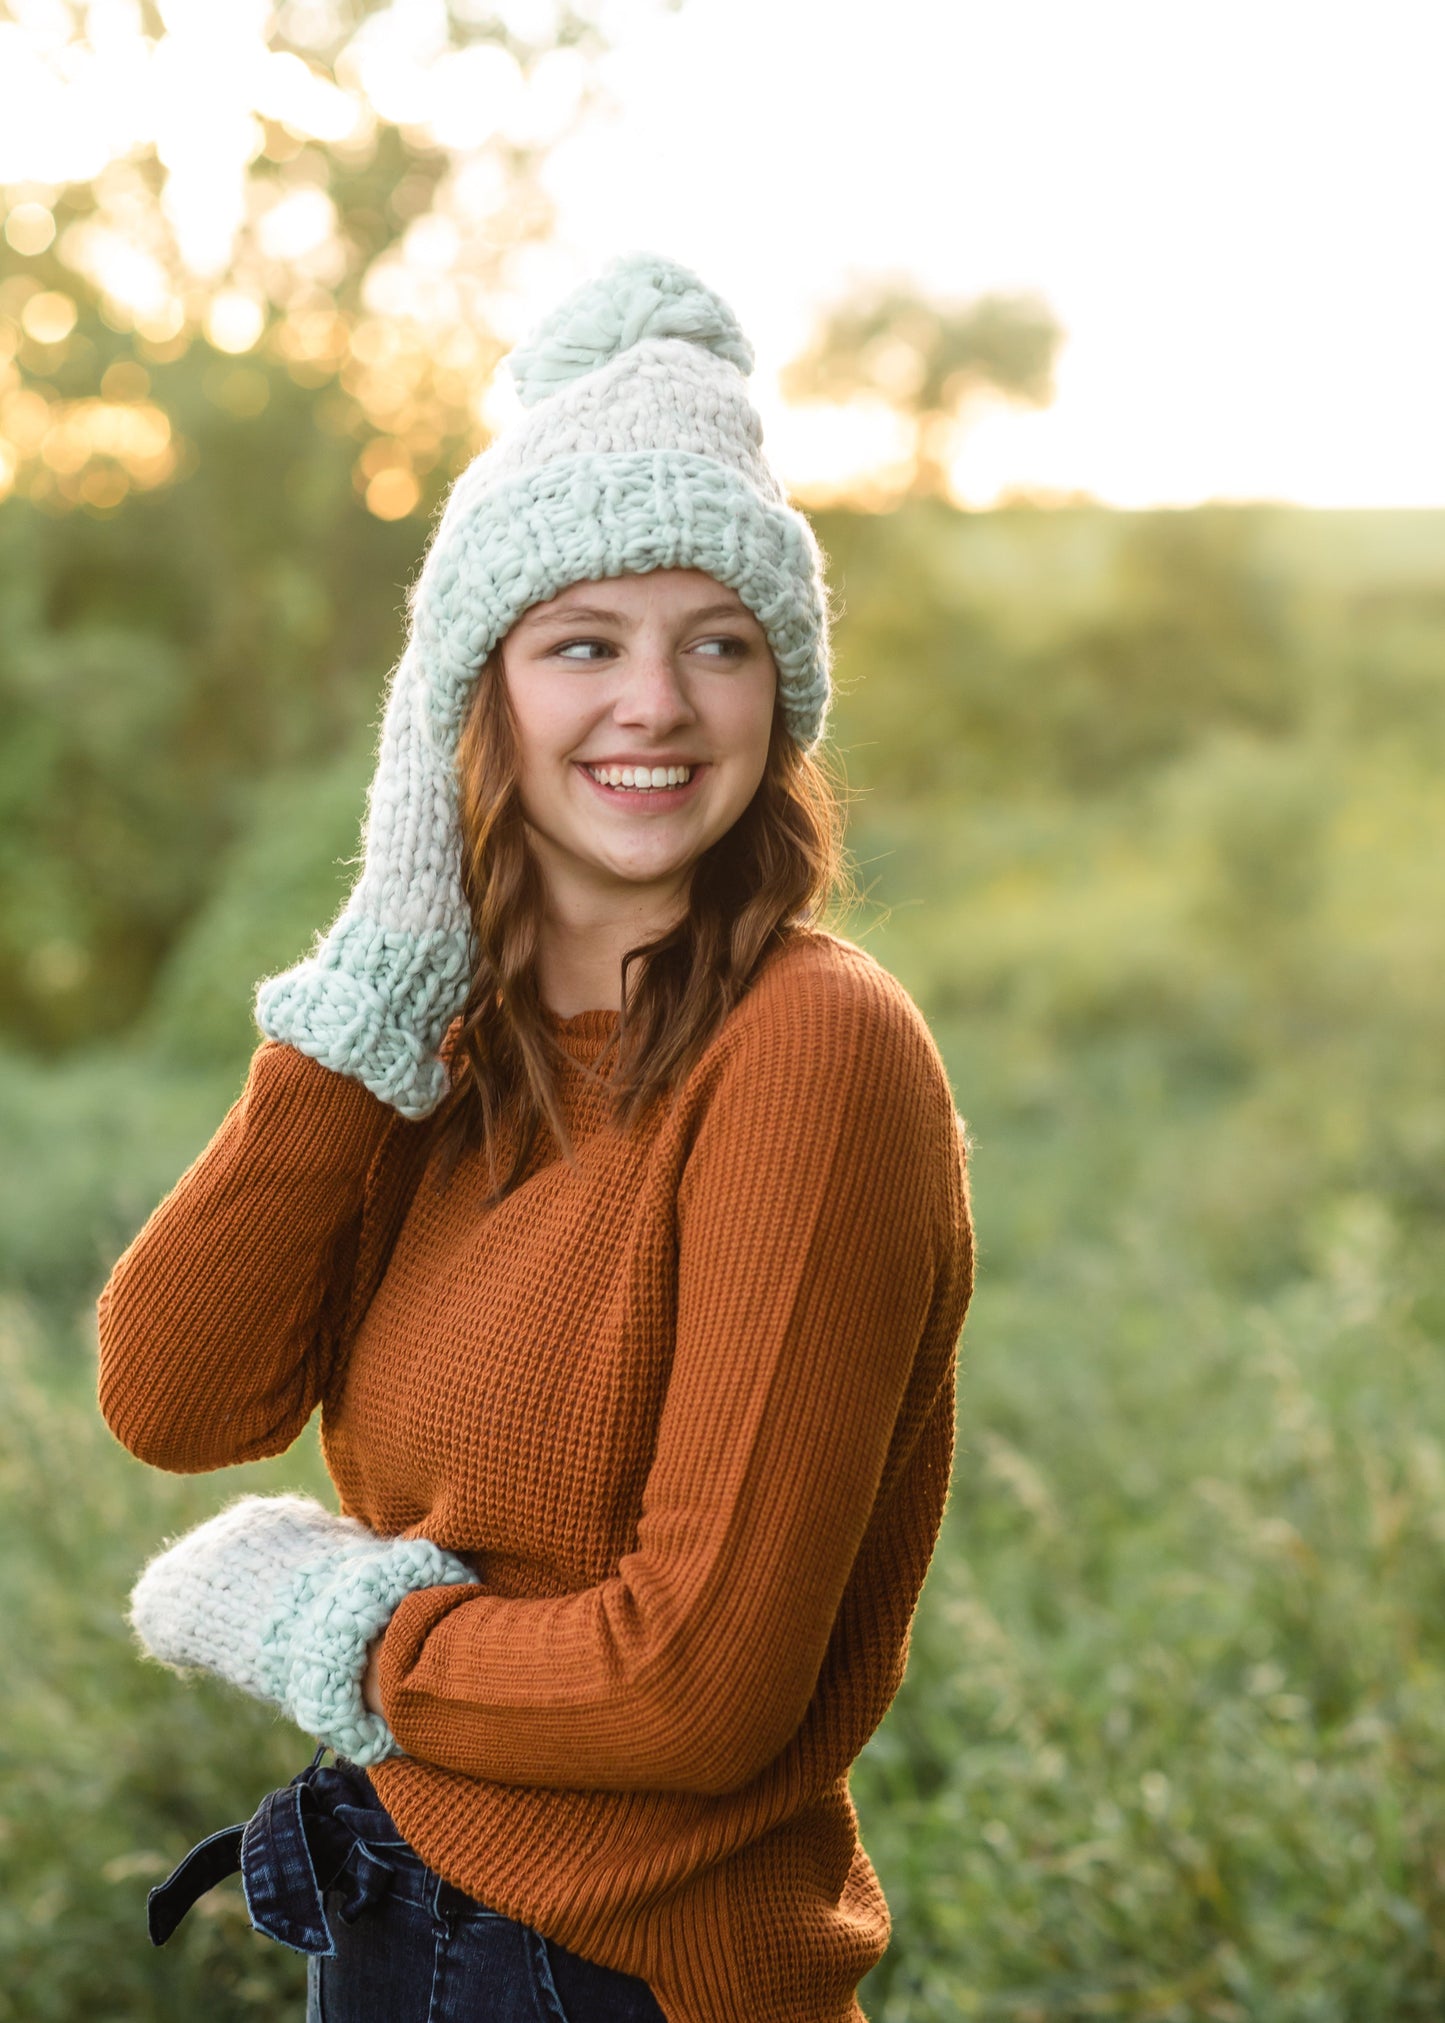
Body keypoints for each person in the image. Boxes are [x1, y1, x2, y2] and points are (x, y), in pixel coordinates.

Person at [97, 253, 975, 2023]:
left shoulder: (811, 1051)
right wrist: (377, 986)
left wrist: (339, 1630)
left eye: (714, 645)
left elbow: (691, 1692)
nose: (651, 704)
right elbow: (174, 1398)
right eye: (581, 642)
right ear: (468, 702)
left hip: (623, 1977)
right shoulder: (447, 1053)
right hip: (410, 1922)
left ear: (775, 702)